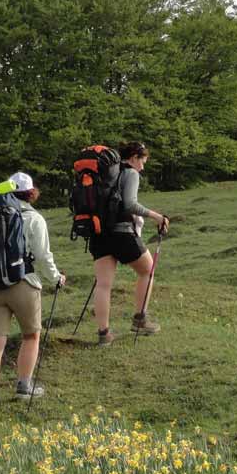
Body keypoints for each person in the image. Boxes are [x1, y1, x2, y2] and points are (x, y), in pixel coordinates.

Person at [0, 171, 65, 407]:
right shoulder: (34, 218)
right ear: (30, 193)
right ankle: (24, 386)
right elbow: (43, 256)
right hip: (24, 283)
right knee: (31, 336)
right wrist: (56, 278)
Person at [89, 141, 169, 347]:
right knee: (147, 270)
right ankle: (140, 319)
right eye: (142, 161)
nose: (143, 166)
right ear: (133, 158)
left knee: (103, 284)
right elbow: (130, 204)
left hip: (98, 233)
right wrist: (156, 216)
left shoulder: (104, 174)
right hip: (122, 233)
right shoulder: (130, 173)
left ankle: (103, 333)